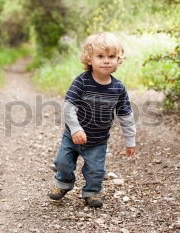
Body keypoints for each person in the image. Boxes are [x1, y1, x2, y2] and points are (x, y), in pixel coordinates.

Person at [48, 32, 136, 208]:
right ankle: (64, 183)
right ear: (89, 59)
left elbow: (126, 114)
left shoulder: (118, 88)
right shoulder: (82, 82)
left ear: (118, 59)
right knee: (62, 163)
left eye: (111, 56)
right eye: (100, 56)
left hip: (97, 140)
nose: (106, 60)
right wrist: (75, 129)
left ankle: (91, 192)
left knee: (96, 170)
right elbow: (68, 106)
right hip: (72, 136)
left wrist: (130, 139)